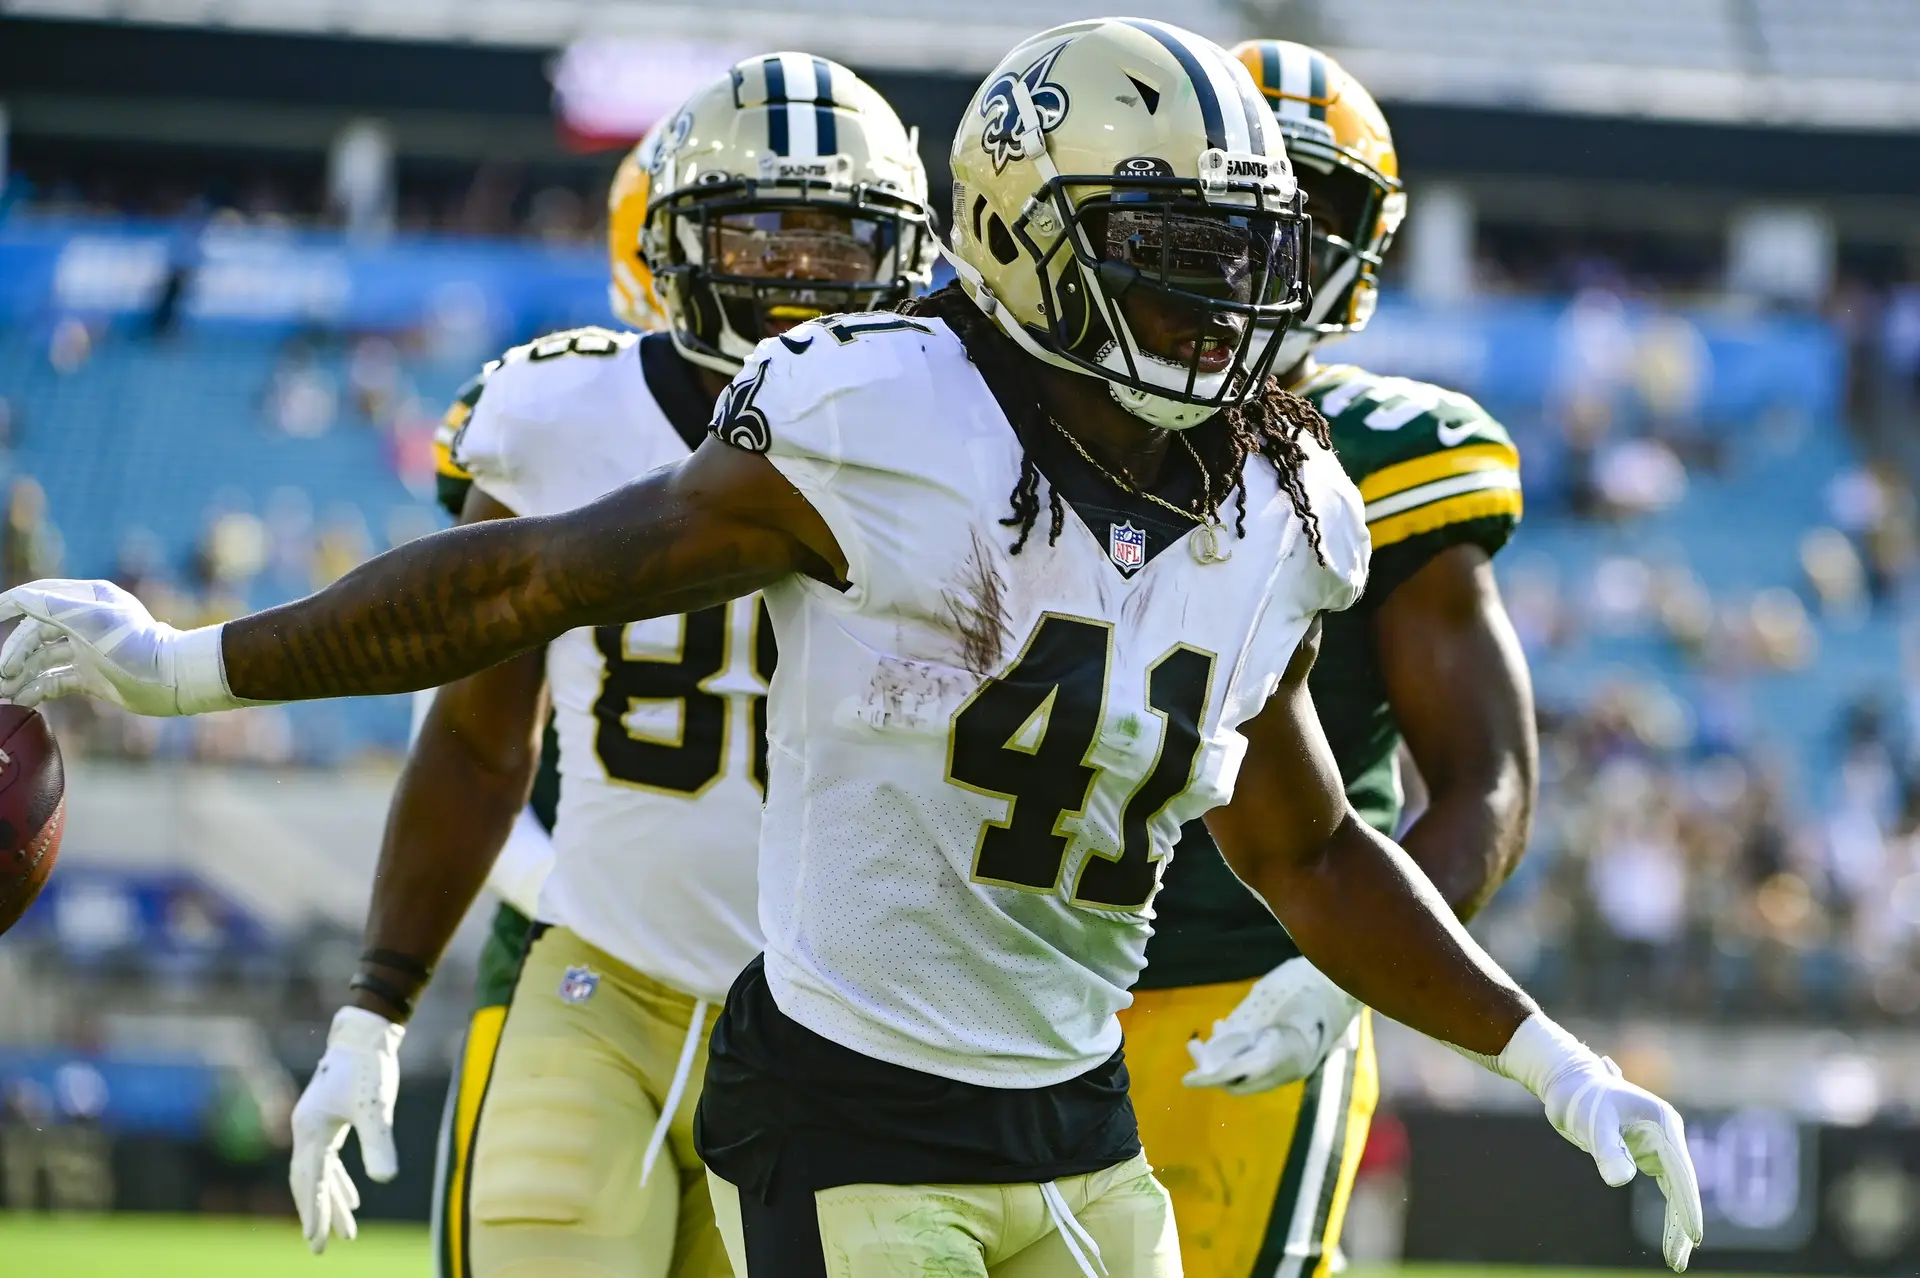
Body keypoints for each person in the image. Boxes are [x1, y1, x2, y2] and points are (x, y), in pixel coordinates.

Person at [0, 19, 1702, 1277]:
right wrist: (190, 665)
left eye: (1244, 267)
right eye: (1170, 266)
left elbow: (1314, 845)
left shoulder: (1283, 503)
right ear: (1032, 242)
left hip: (1079, 1117)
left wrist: (1545, 1049)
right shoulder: (888, 419)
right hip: (850, 1103)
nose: (1224, 315)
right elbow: (527, 587)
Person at [279, 57, 934, 1278]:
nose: (797, 283)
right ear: (677, 247)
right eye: (760, 240)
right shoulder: (557, 415)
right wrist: (374, 1004)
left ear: (903, 256)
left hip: (844, 1028)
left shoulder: (953, 441)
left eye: (838, 246)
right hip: (602, 978)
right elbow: (478, 737)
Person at [1118, 41, 1536, 1278]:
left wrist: (1341, 977)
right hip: (996, 973)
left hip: (1232, 984)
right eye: (1248, 202)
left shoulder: (1389, 455)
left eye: (1319, 209)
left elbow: (1485, 784)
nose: (1278, 245)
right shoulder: (1025, 416)